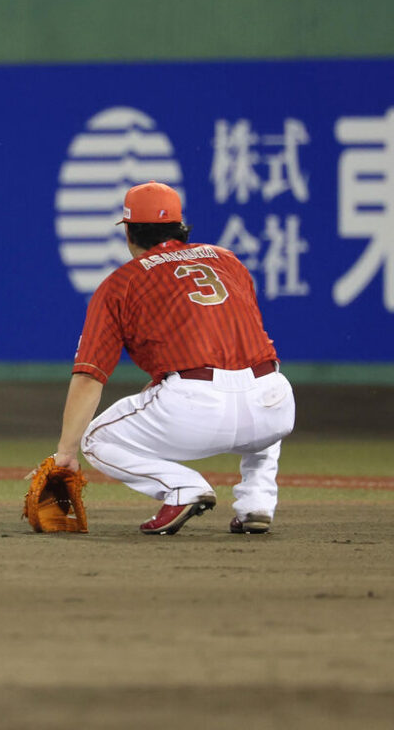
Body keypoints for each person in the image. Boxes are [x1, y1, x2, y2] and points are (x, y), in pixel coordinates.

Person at [44, 180, 295, 536]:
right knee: (264, 386)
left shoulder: (122, 283)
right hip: (274, 404)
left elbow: (89, 376)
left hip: (196, 410)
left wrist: (66, 453)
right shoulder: (227, 260)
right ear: (179, 226)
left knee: (96, 439)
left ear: (129, 232)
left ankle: (183, 487)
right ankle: (257, 502)